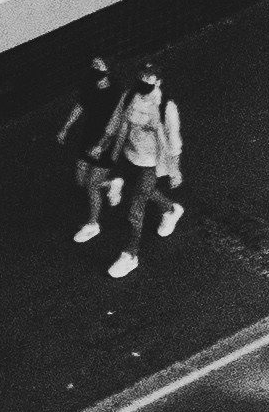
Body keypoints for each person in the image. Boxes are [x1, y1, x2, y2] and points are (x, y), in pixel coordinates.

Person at [74, 56, 185, 276]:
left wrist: (175, 169)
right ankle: (171, 209)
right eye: (142, 76)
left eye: (149, 78)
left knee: (135, 210)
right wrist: (101, 145)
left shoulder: (166, 107)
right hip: (128, 156)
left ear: (158, 81)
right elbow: (115, 123)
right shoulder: (130, 97)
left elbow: (174, 142)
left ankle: (130, 254)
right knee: (144, 191)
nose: (144, 81)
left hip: (150, 164)